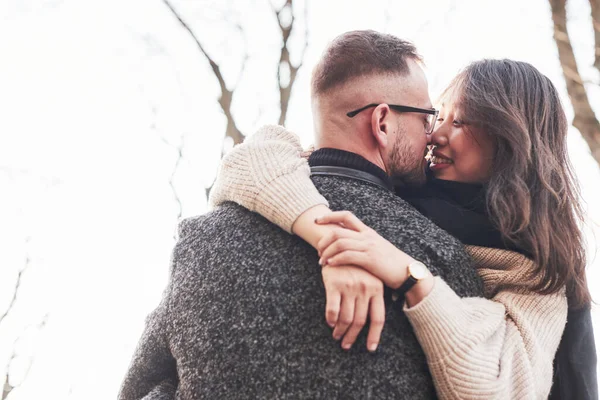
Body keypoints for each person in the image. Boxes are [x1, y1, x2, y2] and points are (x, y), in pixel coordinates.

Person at [119, 30, 488, 400]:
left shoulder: (204, 238)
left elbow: (139, 387)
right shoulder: (438, 260)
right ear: (382, 123)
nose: (431, 134)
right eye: (427, 117)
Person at [210, 59, 597, 398]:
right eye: (437, 117)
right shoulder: (396, 185)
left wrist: (410, 275)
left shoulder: (538, 267)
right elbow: (251, 160)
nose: (435, 136)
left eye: (458, 121)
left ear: (511, 139)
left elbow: (504, 388)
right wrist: (328, 237)